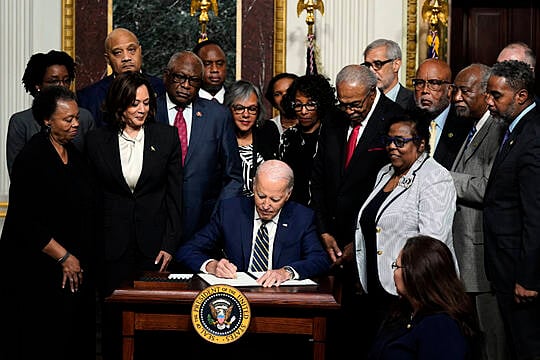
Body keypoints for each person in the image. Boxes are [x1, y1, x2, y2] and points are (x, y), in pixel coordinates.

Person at [85, 72, 183, 360]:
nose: (141, 109)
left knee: (154, 320)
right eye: (134, 104)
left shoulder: (165, 136)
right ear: (118, 106)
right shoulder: (95, 140)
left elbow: (175, 195)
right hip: (111, 245)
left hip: (153, 246)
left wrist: (170, 243)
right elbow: (91, 198)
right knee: (113, 318)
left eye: (145, 103)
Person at [310, 64, 403, 358]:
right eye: (343, 102)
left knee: (367, 332)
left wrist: (358, 241)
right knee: (333, 332)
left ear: (372, 91)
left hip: (370, 244)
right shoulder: (334, 119)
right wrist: (324, 229)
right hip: (332, 242)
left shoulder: (394, 119)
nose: (348, 110)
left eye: (355, 104)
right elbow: (320, 178)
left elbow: (392, 190)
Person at [0, 86, 97, 359]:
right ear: (46, 120)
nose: (76, 124)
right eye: (68, 120)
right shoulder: (32, 158)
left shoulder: (75, 155)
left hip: (72, 270)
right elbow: (24, 221)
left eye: (77, 117)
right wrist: (64, 256)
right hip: (36, 271)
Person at [355, 113, 457, 355]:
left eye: (400, 141)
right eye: (389, 140)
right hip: (377, 286)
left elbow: (433, 242)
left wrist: (407, 283)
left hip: (413, 290)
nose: (392, 146)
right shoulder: (385, 173)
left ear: (421, 144)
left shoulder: (434, 177)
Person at [177, 160, 331, 287]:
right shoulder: (230, 211)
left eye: (275, 199)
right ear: (253, 186)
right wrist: (212, 266)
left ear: (288, 194)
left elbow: (320, 260)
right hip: (238, 297)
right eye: (261, 195)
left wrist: (286, 272)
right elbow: (187, 250)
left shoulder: (302, 217)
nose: (266, 205)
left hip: (280, 298)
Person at [450, 63, 509, 360]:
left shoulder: (497, 128)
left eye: (464, 91)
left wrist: (445, 178)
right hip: (463, 256)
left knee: (491, 343)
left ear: (486, 94)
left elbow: (490, 189)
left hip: (480, 258)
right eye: (455, 90)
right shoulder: (472, 126)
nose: (456, 97)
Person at [483, 60, 540, 360]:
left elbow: (536, 215)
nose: (489, 102)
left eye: (496, 96)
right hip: (505, 268)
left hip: (521, 274)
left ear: (521, 96)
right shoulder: (515, 128)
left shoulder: (533, 137)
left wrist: (529, 277)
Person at [156, 51, 243, 243]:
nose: (186, 86)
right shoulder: (149, 110)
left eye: (194, 80)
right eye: (179, 77)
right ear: (166, 76)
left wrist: (218, 216)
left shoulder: (217, 116)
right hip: (154, 224)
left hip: (203, 225)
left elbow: (234, 177)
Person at [368, 235, 479, 360]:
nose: (394, 273)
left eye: (397, 267)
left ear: (417, 273)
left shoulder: (440, 326)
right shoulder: (401, 313)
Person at [7, 49, 95, 177]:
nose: (61, 86)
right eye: (54, 81)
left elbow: (92, 167)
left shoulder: (85, 118)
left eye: (66, 80)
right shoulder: (21, 122)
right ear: (38, 85)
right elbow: (17, 173)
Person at [77, 27, 165, 127]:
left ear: (140, 51)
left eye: (131, 50)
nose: (126, 58)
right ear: (108, 59)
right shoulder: (88, 97)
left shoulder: (162, 88)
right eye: (118, 52)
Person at [280, 73, 337, 206]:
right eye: (298, 105)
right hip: (292, 208)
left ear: (321, 104)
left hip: (322, 209)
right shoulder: (289, 136)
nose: (303, 111)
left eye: (310, 104)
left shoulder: (330, 137)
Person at [413, 58, 472, 169]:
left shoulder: (465, 125)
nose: (425, 90)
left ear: (449, 90)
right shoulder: (407, 120)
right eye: (419, 83)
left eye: (434, 83)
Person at [224, 80, 280, 196]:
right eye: (239, 108)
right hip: (228, 206)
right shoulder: (220, 135)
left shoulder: (268, 131)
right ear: (228, 108)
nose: (246, 114)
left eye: (252, 109)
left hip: (264, 207)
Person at [362, 38, 415, 111]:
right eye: (367, 65)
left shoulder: (414, 102)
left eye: (377, 64)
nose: (371, 71)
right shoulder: (360, 101)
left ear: (396, 65)